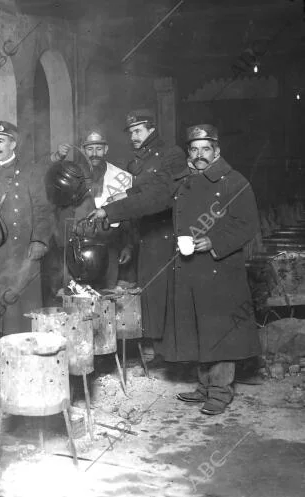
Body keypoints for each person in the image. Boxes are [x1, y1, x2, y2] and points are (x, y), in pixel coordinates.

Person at [167, 125, 261, 414]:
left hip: (221, 268)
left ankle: (220, 392)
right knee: (200, 327)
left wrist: (214, 241)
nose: (199, 155)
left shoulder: (234, 181)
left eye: (205, 149)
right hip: (193, 267)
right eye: (193, 149)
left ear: (217, 151)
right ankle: (204, 387)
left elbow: (248, 225)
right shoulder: (187, 181)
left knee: (221, 331)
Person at [89, 110, 187, 357]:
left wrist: (110, 211)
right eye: (131, 132)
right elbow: (144, 188)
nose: (133, 136)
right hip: (147, 234)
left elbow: (159, 195)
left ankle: (172, 352)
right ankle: (159, 349)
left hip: (167, 233)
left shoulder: (171, 154)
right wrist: (127, 195)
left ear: (152, 130)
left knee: (166, 294)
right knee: (151, 294)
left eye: (138, 131)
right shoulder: (138, 161)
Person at [0, 121, 51, 335]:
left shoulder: (30, 170)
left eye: (1, 141)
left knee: (23, 300)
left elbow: (42, 208)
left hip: (23, 247)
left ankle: (24, 344)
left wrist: (39, 239)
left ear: (13, 144)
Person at [45, 129, 135, 296]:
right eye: (89, 149)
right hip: (76, 250)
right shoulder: (70, 174)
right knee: (77, 299)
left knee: (107, 297)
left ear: (106, 149)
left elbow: (127, 215)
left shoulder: (121, 177)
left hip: (109, 248)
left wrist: (128, 245)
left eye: (99, 148)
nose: (94, 154)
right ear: (82, 149)